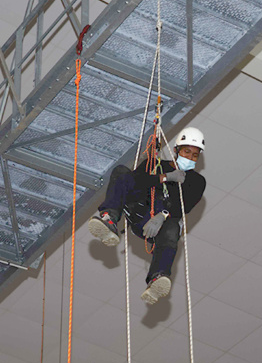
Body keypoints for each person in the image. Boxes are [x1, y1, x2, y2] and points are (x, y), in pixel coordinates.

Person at [88, 127, 206, 304]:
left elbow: (185, 206)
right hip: (139, 210)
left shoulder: (196, 182)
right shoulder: (155, 165)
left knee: (173, 229)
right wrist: (165, 177)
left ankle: (158, 277)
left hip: (161, 223)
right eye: (186, 151)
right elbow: (136, 182)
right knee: (121, 171)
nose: (189, 157)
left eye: (194, 155)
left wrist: (163, 215)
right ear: (176, 151)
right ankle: (109, 219)